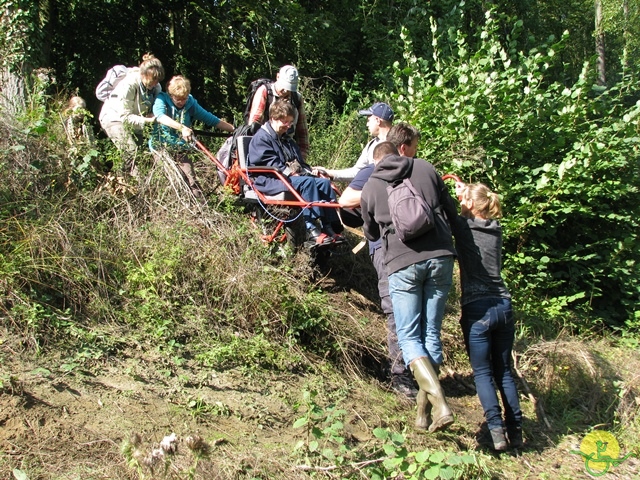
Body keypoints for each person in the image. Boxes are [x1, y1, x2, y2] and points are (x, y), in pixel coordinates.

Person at [360, 140, 457, 433]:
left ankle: (439, 403)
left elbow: (371, 231)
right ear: (399, 153)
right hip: (441, 257)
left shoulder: (371, 187)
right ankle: (422, 415)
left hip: (402, 264)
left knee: (409, 337)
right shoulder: (426, 168)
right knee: (431, 333)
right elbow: (451, 212)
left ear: (376, 162)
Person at [338, 122, 421, 400]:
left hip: (414, 248)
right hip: (384, 247)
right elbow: (346, 199)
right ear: (401, 148)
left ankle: (418, 371)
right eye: (412, 150)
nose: (413, 155)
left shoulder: (416, 170)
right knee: (396, 309)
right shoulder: (371, 172)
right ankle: (400, 375)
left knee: (415, 310)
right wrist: (378, 192)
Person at [451, 181, 523, 451]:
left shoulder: (463, 227)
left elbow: (447, 211)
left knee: (482, 373)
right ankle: (515, 430)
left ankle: (495, 431)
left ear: (469, 204)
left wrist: (458, 198)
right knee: (503, 371)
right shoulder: (496, 228)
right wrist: (466, 194)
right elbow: (465, 212)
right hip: (503, 304)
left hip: (477, 308)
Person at [247, 100, 343, 245]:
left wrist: (310, 171)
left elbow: (299, 161)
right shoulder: (261, 138)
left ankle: (328, 226)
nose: (288, 126)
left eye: (290, 122)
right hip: (269, 179)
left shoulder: (286, 139)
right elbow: (271, 163)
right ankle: (310, 229)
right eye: (285, 122)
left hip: (286, 178)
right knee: (307, 182)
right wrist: (292, 174)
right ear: (273, 118)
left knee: (323, 183)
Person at [150, 75, 235, 198]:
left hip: (181, 148)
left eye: (184, 98)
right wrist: (182, 128)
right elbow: (160, 117)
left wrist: (235, 129)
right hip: (161, 147)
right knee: (174, 179)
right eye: (178, 99)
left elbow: (211, 120)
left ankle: (200, 210)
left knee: (192, 181)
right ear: (170, 95)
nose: (181, 102)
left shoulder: (190, 103)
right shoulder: (162, 99)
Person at [99, 53, 165, 177]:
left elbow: (156, 108)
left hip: (137, 121)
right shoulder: (129, 84)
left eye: (157, 80)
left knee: (141, 155)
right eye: (152, 80)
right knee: (130, 151)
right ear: (143, 74)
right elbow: (125, 116)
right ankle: (139, 189)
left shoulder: (156, 87)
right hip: (114, 118)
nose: (155, 83)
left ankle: (120, 183)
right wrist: (148, 121)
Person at [314, 102, 394, 182]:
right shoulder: (371, 145)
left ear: (377, 120)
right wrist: (328, 173)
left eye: (368, 120)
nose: (367, 124)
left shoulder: (398, 142)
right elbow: (357, 172)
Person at [247, 65, 310, 161]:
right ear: (277, 77)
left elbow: (302, 132)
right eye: (284, 86)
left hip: (288, 148)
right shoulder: (264, 92)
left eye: (289, 88)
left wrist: (301, 158)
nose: (286, 91)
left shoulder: (297, 98)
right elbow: (253, 125)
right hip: (266, 147)